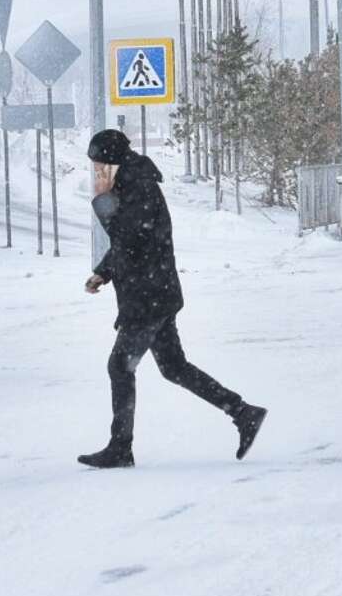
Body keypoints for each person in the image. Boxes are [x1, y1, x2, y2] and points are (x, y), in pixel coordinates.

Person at [77, 128, 266, 469]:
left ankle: (121, 447)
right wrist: (104, 272)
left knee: (119, 367)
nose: (97, 174)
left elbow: (131, 240)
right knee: (174, 368)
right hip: (154, 293)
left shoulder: (139, 189)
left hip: (148, 297)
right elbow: (126, 246)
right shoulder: (131, 186)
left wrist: (103, 204)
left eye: (100, 166)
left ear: (115, 163)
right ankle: (243, 413)